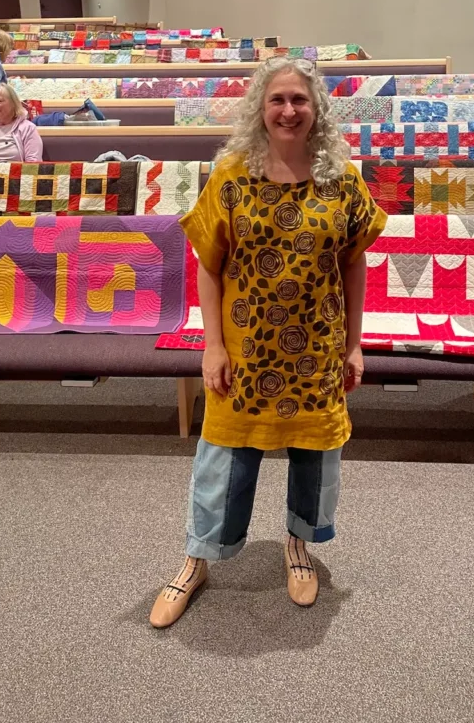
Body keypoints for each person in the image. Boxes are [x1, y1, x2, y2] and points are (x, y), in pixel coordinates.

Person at [149, 57, 388, 629]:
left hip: (318, 348)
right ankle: (198, 559)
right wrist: (212, 345)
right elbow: (209, 263)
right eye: (278, 99)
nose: (288, 110)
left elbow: (354, 262)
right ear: (261, 106)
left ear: (316, 109)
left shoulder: (341, 177)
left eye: (300, 101)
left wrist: (355, 344)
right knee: (223, 457)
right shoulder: (232, 173)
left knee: (314, 453)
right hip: (246, 349)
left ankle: (299, 545)